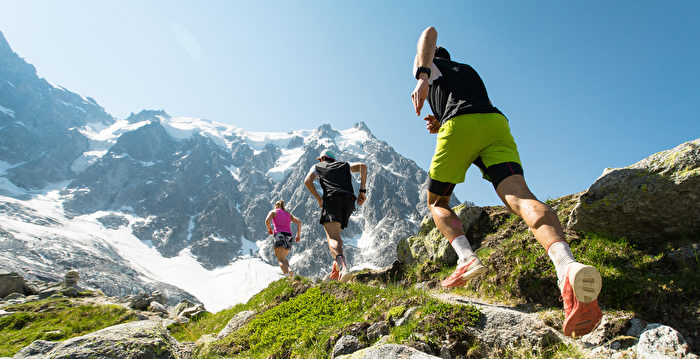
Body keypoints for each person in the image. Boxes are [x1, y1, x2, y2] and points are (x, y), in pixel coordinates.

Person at [410, 26, 602, 337]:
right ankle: (566, 266)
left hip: (461, 127)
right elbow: (461, 103)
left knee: (436, 202)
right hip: (494, 124)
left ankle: (466, 258)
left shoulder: (431, 66)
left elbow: (427, 33)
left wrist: (421, 74)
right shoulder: (466, 71)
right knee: (521, 198)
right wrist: (439, 119)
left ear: (434, 61)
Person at [304, 149, 367, 282]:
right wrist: (362, 191)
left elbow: (307, 181)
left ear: (322, 159)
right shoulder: (344, 165)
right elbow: (363, 166)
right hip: (349, 201)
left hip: (332, 200)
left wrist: (318, 198)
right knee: (336, 235)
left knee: (331, 237)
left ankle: (343, 268)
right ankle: (336, 267)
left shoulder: (317, 167)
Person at [264, 200, 302, 277]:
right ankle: (289, 271)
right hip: (289, 236)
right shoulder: (288, 214)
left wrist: (269, 228)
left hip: (279, 234)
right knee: (283, 258)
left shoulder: (273, 212)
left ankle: (287, 275)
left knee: (280, 259)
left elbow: (267, 220)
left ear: (276, 206)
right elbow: (299, 221)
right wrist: (298, 235)